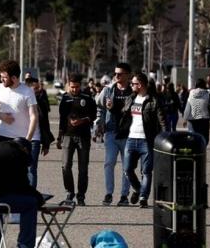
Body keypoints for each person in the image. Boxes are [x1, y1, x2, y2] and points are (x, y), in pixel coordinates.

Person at [0, 60, 42, 188]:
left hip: (29, 137)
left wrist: (27, 141)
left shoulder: (27, 91)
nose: (1, 80)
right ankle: (4, 199)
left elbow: (34, 116)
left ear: (14, 77)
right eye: (1, 77)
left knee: (29, 170)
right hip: (5, 134)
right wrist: (2, 116)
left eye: (4, 77)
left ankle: (29, 202)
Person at [118, 73, 166, 208]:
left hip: (147, 141)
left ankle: (143, 197)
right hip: (131, 139)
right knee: (127, 169)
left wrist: (164, 138)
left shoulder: (153, 100)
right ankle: (138, 189)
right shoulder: (131, 98)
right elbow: (124, 114)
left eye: (133, 83)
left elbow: (162, 121)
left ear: (140, 85)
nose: (131, 85)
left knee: (146, 171)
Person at [95, 62, 133, 206]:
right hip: (111, 132)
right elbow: (99, 106)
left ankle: (124, 196)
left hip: (128, 134)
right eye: (115, 73)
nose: (116, 76)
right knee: (109, 163)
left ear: (128, 75)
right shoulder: (108, 90)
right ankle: (108, 193)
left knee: (127, 167)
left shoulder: (132, 91)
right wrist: (99, 123)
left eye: (120, 74)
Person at [56, 74, 96, 206]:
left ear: (81, 85)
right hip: (68, 136)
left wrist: (82, 120)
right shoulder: (65, 98)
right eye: (72, 87)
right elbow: (62, 118)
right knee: (66, 165)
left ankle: (81, 195)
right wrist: (59, 136)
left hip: (83, 137)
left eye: (77, 87)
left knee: (83, 168)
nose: (74, 90)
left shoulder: (87, 98)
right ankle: (70, 192)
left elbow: (93, 115)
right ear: (68, 85)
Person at [182, 78, 210, 146]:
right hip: (204, 119)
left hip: (192, 119)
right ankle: (201, 150)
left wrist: (185, 119)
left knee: (192, 137)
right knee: (204, 138)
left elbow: (188, 107)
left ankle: (194, 151)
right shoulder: (208, 93)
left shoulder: (191, 93)